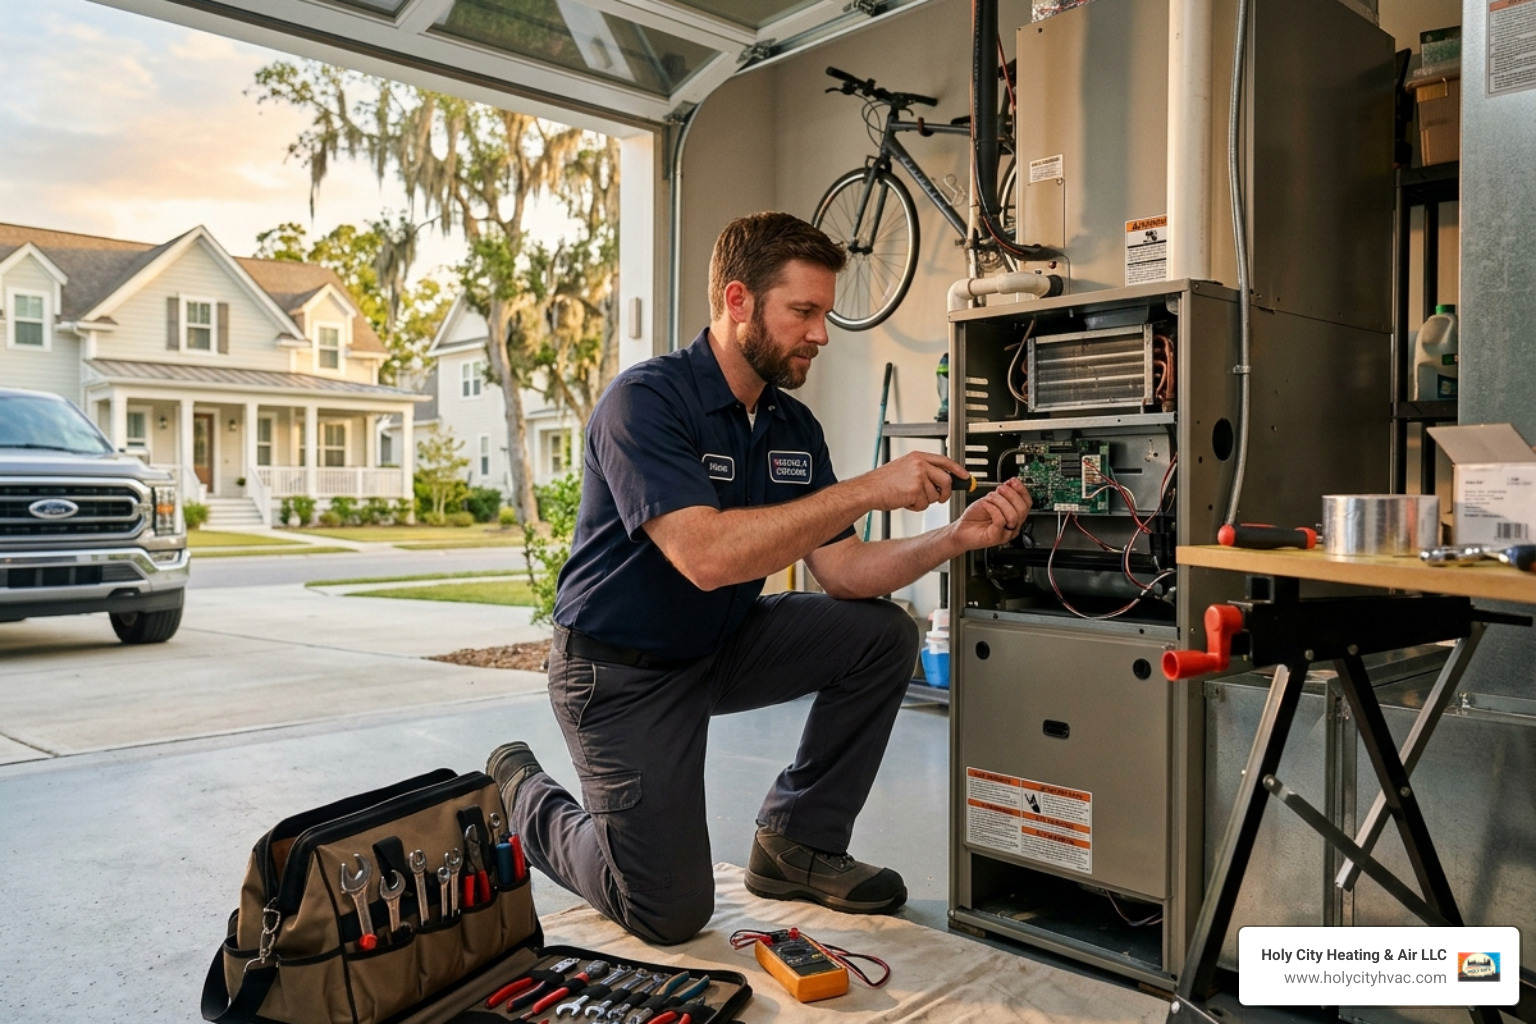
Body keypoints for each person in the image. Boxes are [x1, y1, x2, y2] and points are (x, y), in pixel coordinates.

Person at [487, 211, 1031, 945]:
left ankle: (795, 846)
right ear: (738, 301)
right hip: (620, 675)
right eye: (803, 311)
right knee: (668, 912)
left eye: (824, 313)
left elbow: (842, 572)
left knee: (880, 633)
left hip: (723, 645)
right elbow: (706, 557)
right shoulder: (645, 403)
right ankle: (521, 793)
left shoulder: (790, 427)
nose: (821, 334)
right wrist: (871, 488)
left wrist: (954, 537)